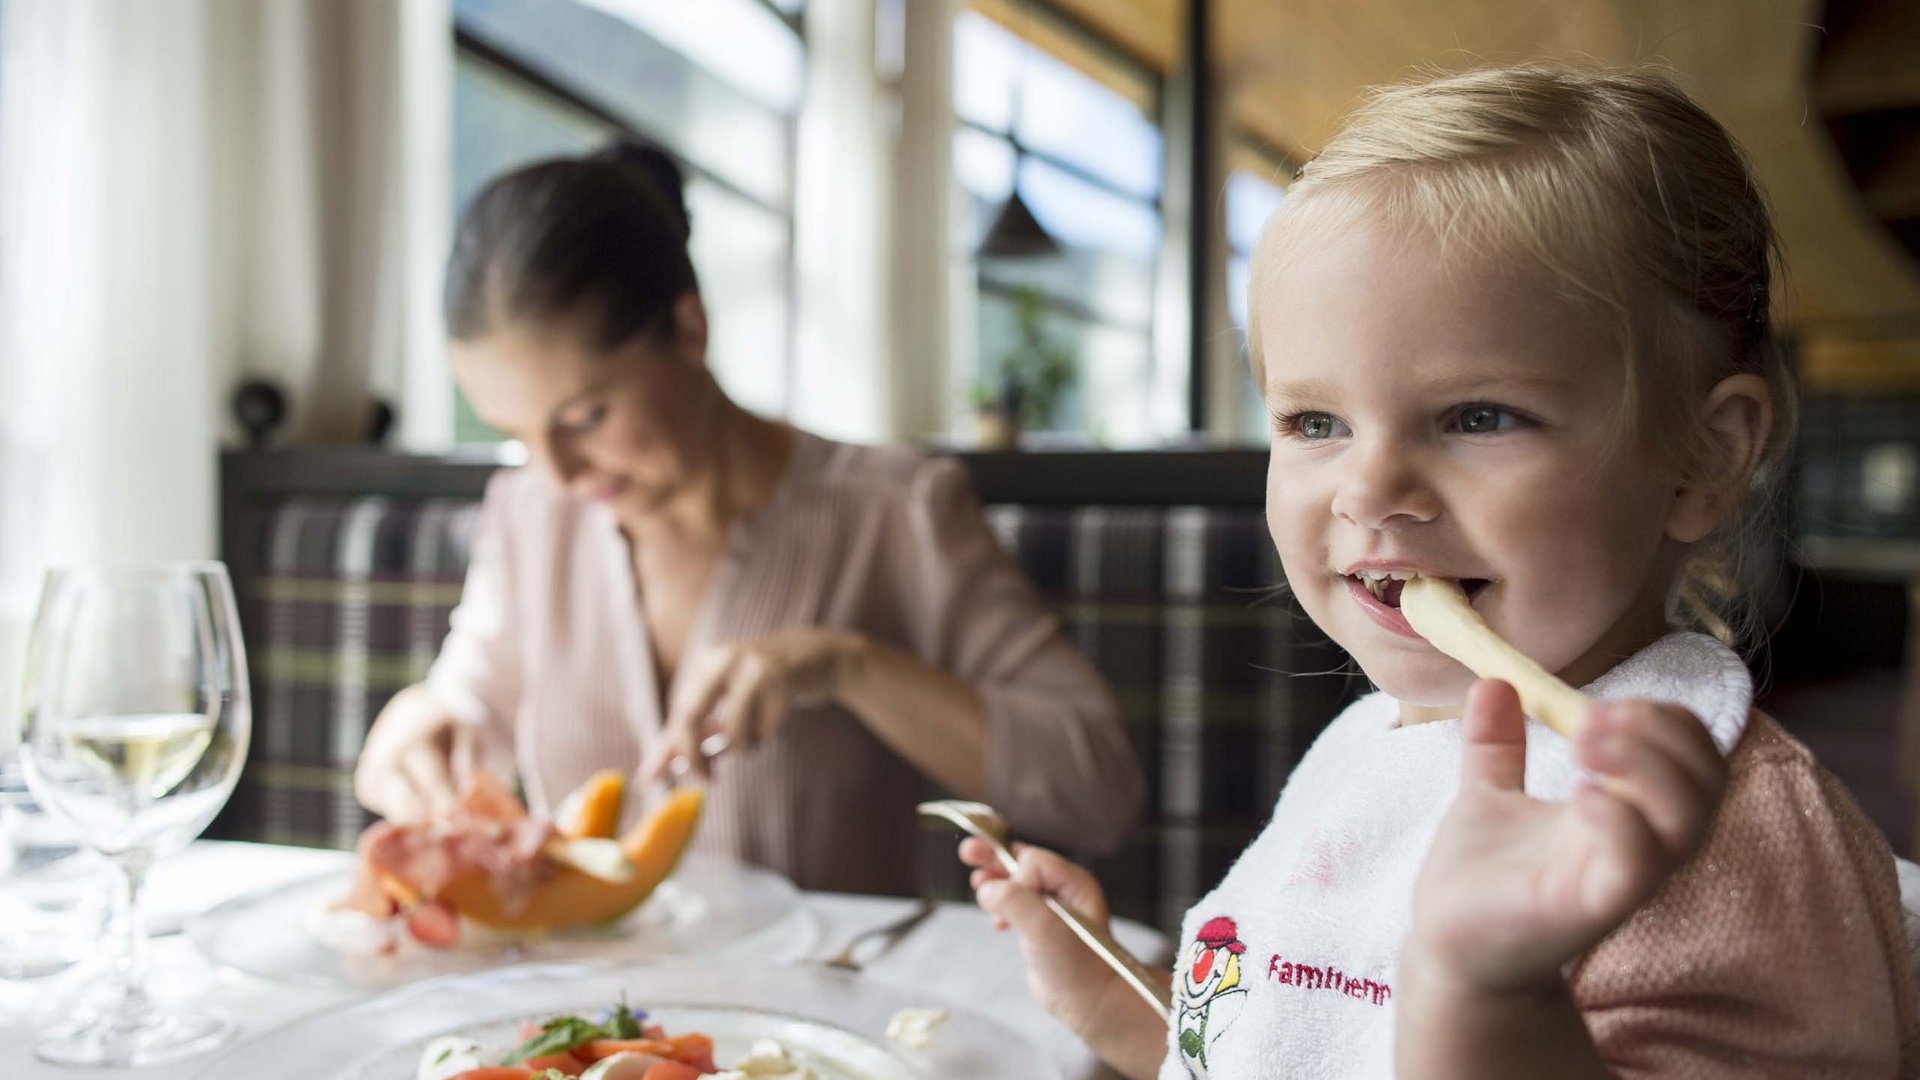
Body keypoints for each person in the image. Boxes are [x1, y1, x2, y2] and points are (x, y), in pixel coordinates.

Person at [963, 64, 1917, 1078]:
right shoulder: (1374, 747)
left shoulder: (1722, 839)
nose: (1370, 489)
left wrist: (1488, 995)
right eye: (1315, 422)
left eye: (1478, 417)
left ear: (1703, 457)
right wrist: (1112, 996)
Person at [353, 143, 1142, 895]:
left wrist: (847, 667)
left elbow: (1100, 790)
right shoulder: (527, 514)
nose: (556, 471)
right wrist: (419, 721)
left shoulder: (897, 513)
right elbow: (470, 702)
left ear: (690, 330)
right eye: (517, 433)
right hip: (587, 1021)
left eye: (587, 415)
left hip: (832, 1021)